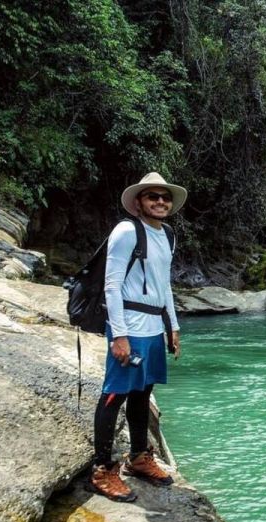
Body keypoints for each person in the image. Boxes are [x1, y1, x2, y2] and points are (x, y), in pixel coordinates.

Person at [88, 173, 185, 502]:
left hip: (154, 327)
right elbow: (112, 285)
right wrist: (118, 335)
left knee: (143, 392)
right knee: (115, 394)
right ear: (139, 202)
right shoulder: (127, 231)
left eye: (165, 197)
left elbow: (164, 283)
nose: (160, 202)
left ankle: (139, 457)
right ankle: (102, 469)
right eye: (152, 197)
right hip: (129, 324)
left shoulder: (168, 235)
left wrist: (173, 327)